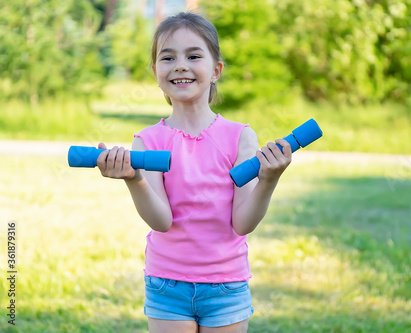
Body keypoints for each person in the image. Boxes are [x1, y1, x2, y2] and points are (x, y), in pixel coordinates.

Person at [96, 11, 292, 333]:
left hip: (226, 285)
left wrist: (269, 180)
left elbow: (242, 223)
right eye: (168, 57)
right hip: (167, 285)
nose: (180, 65)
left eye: (193, 55)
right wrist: (134, 179)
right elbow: (161, 221)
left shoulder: (240, 137)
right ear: (156, 71)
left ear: (216, 71)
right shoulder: (148, 141)